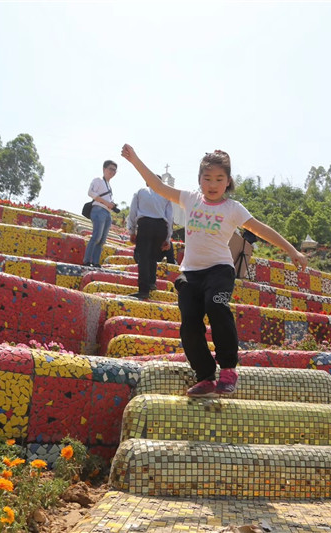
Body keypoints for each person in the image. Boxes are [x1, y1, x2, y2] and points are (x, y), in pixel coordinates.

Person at [121, 144, 308, 397]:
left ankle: (229, 369)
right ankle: (206, 376)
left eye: (219, 179)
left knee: (216, 306)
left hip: (219, 270)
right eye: (207, 178)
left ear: (228, 182)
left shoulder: (233, 208)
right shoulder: (189, 198)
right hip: (190, 273)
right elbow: (158, 186)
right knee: (189, 324)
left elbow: (261, 229)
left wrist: (292, 250)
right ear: (199, 180)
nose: (212, 183)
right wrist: (135, 160)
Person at [126, 176, 174, 299]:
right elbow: (170, 218)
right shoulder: (166, 195)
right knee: (152, 256)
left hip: (145, 225)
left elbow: (133, 212)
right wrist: (168, 238)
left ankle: (144, 290)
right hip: (161, 226)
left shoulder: (140, 192)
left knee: (143, 258)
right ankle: (152, 282)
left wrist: (132, 231)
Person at [82, 160, 118, 267]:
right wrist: (106, 202)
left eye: (115, 170)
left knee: (102, 240)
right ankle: (87, 260)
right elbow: (90, 193)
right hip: (98, 210)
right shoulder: (98, 180)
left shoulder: (109, 185)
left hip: (107, 212)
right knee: (96, 237)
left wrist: (111, 205)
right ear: (104, 169)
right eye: (111, 169)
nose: (113, 172)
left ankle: (95, 262)